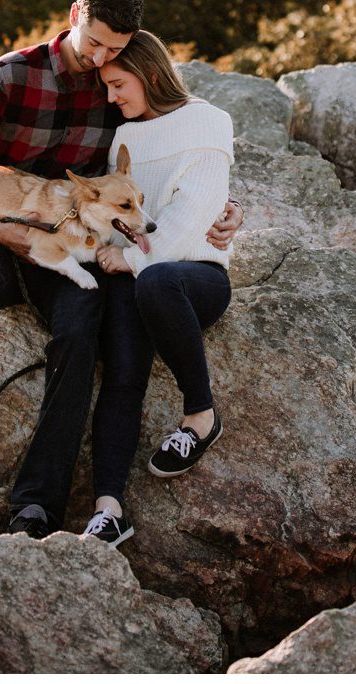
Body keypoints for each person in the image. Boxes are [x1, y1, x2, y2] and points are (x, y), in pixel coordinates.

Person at [0, 0, 244, 538]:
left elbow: (168, 150)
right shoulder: (13, 74)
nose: (100, 60)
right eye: (93, 42)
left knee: (80, 331)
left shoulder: (116, 88)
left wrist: (222, 208)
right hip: (1, 234)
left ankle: (37, 505)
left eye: (114, 51)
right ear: (74, 15)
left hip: (71, 249)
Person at [79, 29, 237, 548]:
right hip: (136, 275)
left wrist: (126, 258)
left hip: (194, 278)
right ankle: (108, 511)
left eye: (118, 84)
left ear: (149, 75)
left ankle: (200, 415)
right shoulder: (124, 138)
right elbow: (117, 208)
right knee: (122, 371)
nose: (111, 98)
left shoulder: (209, 122)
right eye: (106, 86)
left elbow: (194, 215)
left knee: (158, 279)